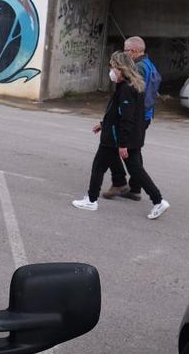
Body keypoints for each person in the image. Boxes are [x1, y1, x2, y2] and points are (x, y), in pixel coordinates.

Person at [73, 51, 171, 220]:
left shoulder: (126, 89)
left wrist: (123, 144)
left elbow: (127, 119)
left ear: (120, 69)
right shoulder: (131, 85)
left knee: (100, 166)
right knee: (134, 169)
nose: (110, 70)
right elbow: (118, 114)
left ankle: (91, 200)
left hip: (116, 139)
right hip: (121, 136)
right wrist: (103, 124)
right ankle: (158, 200)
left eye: (112, 66)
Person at [102, 36, 162, 201]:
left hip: (135, 118)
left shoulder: (138, 68)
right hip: (144, 116)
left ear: (134, 51)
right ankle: (134, 188)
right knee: (134, 153)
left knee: (113, 147)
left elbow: (131, 96)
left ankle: (120, 182)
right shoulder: (150, 65)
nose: (124, 54)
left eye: (126, 50)